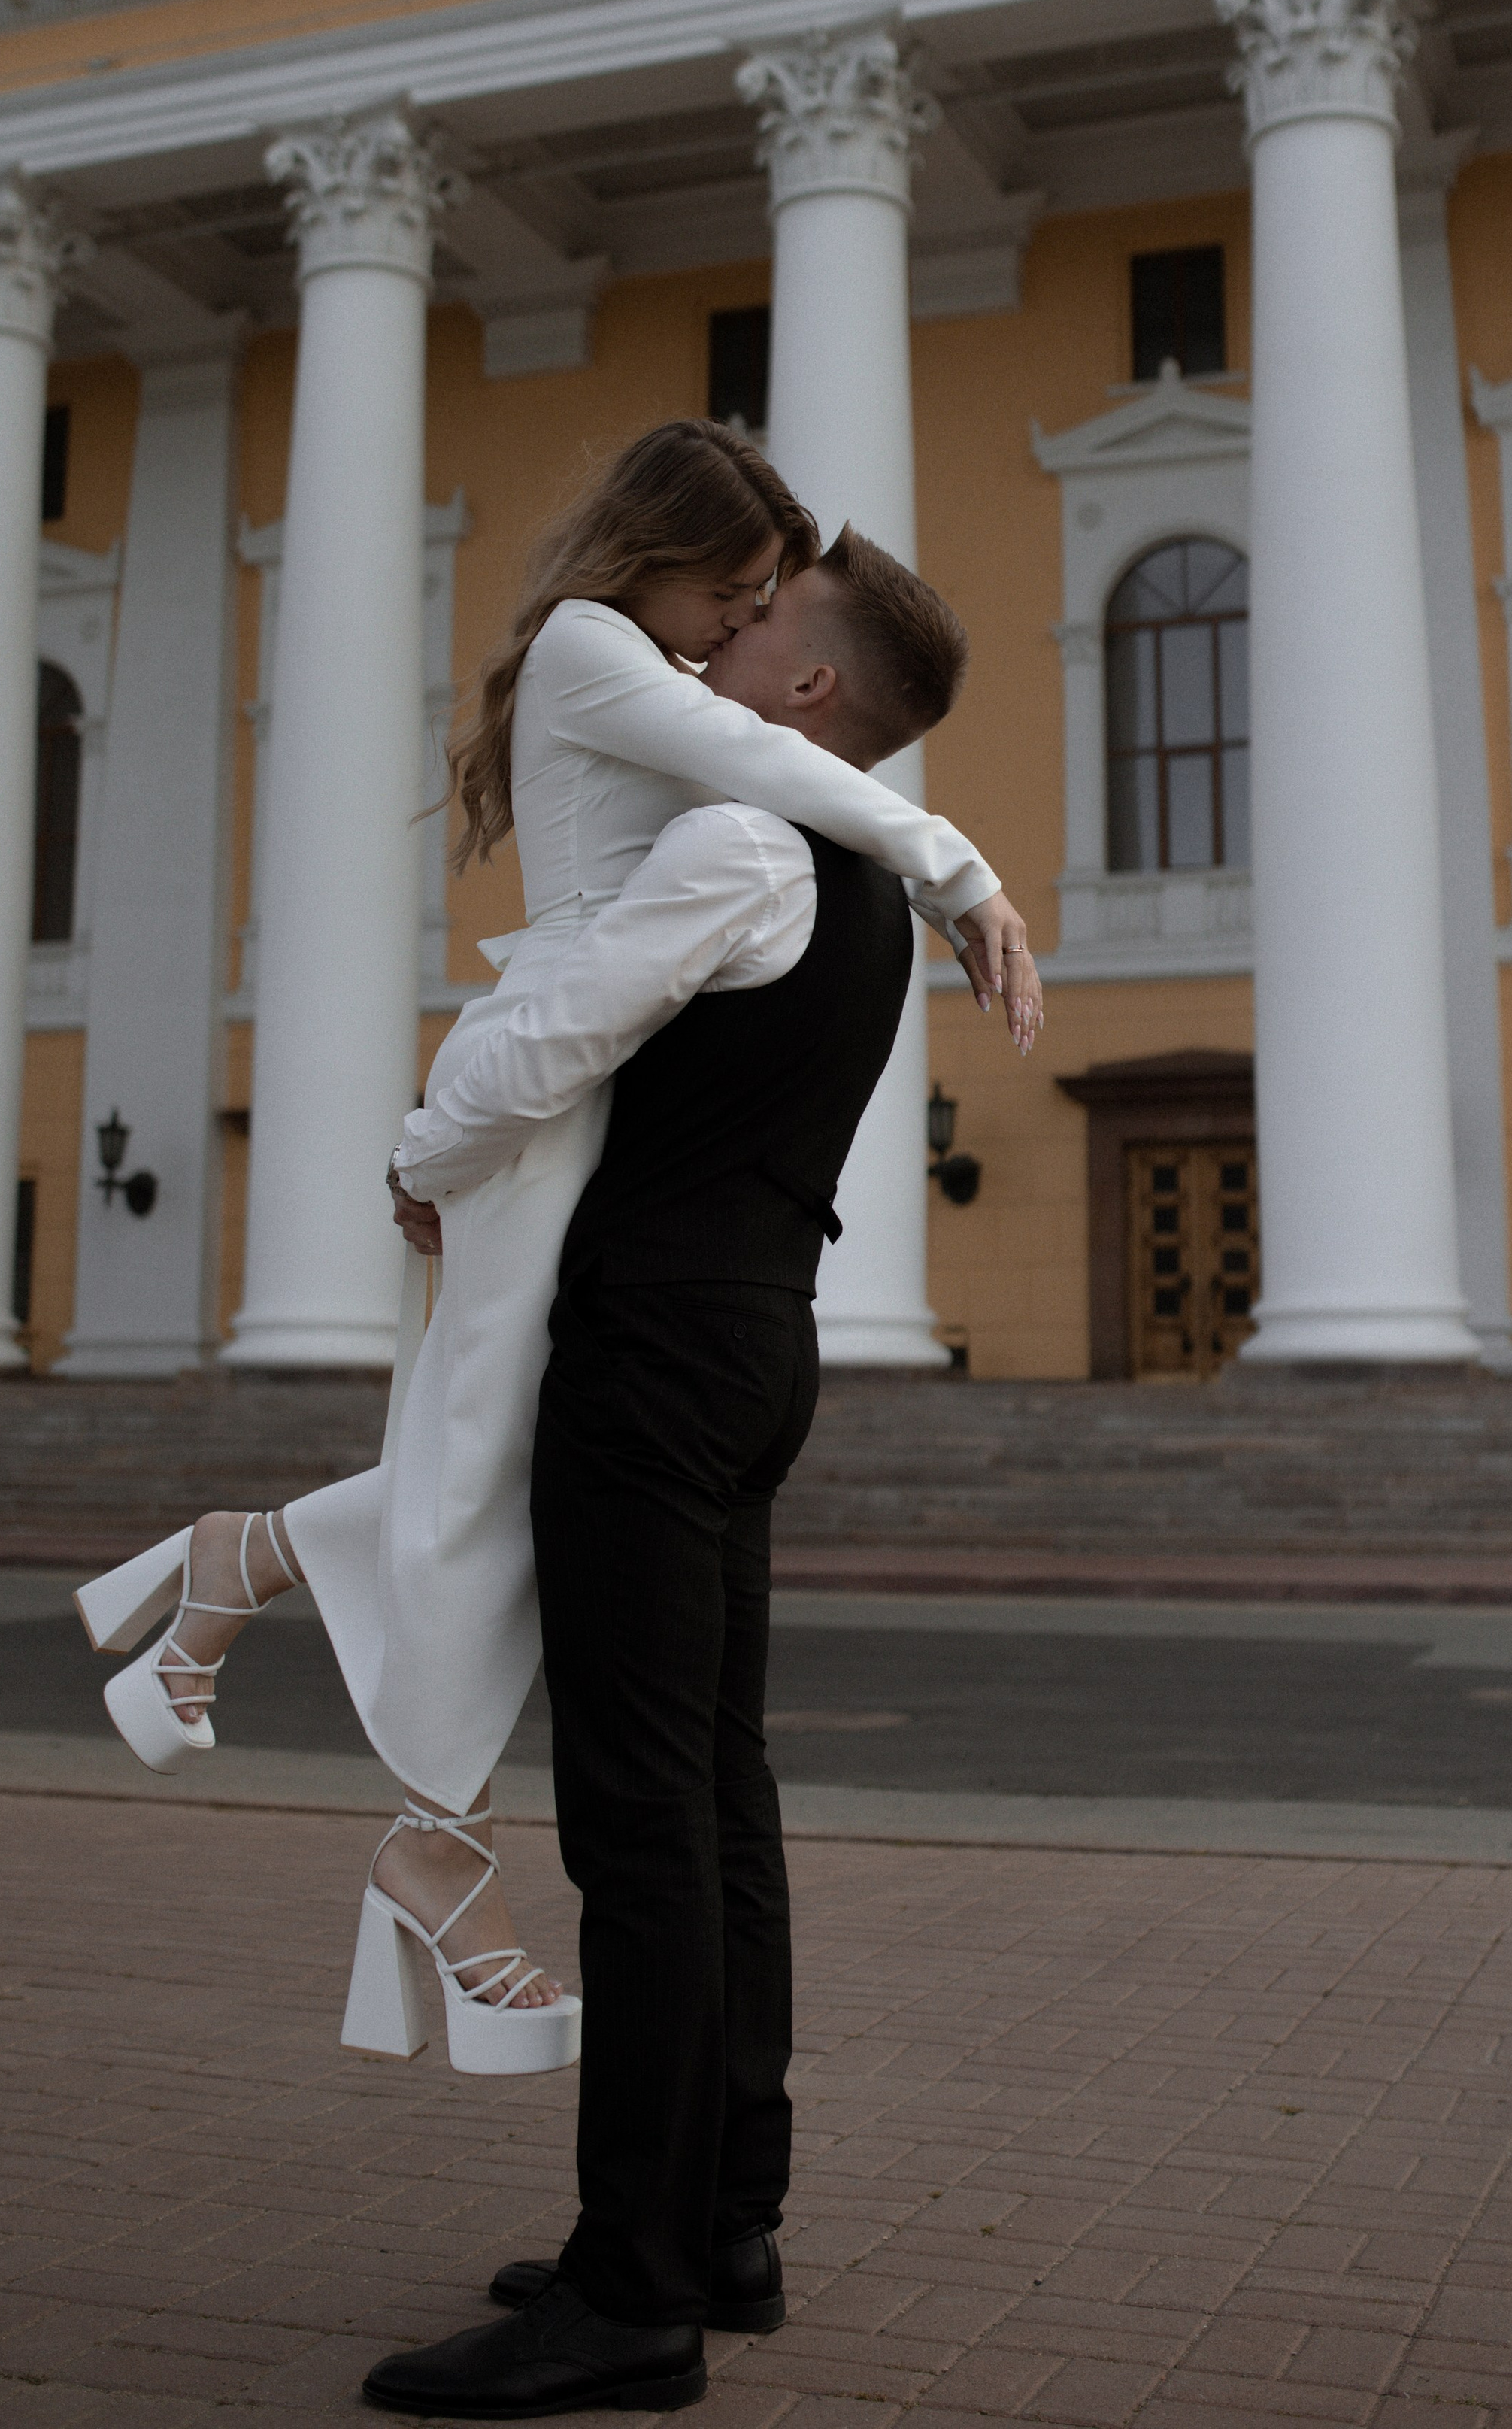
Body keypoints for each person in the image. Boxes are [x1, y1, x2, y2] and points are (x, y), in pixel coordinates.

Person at [75, 422, 1040, 2073]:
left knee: (501, 1461)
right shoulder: (599, 649)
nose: (733, 627)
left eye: (759, 607)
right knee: (491, 1461)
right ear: (664, 553)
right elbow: (793, 778)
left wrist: (946, 873)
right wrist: (959, 871)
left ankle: (282, 1616)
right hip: (547, 1101)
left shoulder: (667, 707)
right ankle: (416, 1819)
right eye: (732, 592)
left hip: (571, 1103)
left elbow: (792, 776)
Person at [359, 526, 973, 2416]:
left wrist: (418, 1155)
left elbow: (539, 1046)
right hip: (756, 1338)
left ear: (809, 686)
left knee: (638, 1825)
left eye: (757, 620)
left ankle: (628, 2295)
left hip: (648, 1356)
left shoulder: (736, 846)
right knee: (715, 1802)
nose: (712, 642)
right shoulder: (864, 885)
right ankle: (721, 2228)